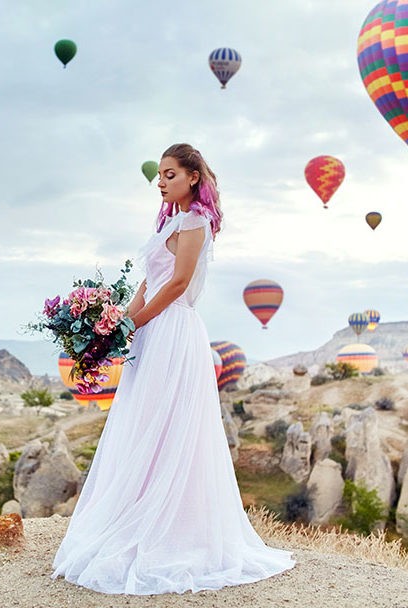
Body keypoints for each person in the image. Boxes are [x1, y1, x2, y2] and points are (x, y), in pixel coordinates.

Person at [51, 143, 296, 595]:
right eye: (159, 175)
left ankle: (177, 532)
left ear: (193, 177)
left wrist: (135, 322)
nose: (160, 182)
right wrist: (117, 324)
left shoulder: (196, 221)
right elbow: (149, 281)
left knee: (174, 426)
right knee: (144, 423)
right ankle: (138, 517)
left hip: (174, 331)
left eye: (169, 174)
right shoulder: (168, 220)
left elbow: (179, 283)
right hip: (151, 333)